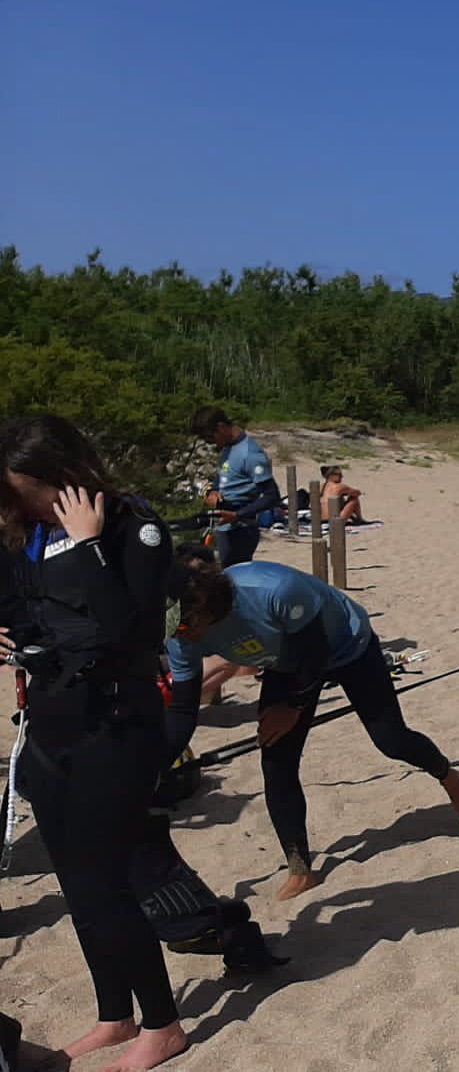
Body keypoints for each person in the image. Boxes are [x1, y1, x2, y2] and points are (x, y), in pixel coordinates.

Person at [0, 415, 191, 1069]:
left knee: (104, 879)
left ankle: (163, 1024)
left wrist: (87, 545)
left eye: (28, 491)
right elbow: (19, 608)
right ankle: (116, 1014)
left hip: (116, 720)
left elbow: (129, 630)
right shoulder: (23, 534)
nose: (24, 505)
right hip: (52, 718)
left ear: (63, 476)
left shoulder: (132, 525)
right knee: (75, 881)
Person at [164, 549, 459, 901]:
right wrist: (157, 765)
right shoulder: (180, 634)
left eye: (182, 624)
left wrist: (293, 707)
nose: (178, 635)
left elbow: (315, 654)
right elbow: (182, 709)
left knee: (391, 739)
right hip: (286, 663)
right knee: (276, 761)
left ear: (204, 601)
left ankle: (448, 776)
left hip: (346, 645)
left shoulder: (273, 590)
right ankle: (301, 869)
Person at [190, 407, 283, 567]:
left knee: (234, 575)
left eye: (210, 437)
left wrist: (237, 515)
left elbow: (272, 496)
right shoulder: (228, 448)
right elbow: (223, 477)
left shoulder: (251, 454)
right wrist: (212, 491)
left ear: (221, 427)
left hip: (241, 529)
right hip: (223, 526)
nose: (210, 443)